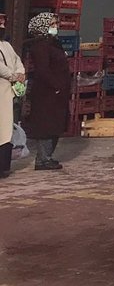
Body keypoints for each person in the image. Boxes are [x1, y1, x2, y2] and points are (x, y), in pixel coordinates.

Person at [23, 13, 70, 170]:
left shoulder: (53, 43)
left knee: (55, 124)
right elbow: (43, 70)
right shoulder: (41, 46)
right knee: (46, 126)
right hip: (47, 93)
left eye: (56, 23)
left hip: (57, 92)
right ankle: (43, 159)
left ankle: (46, 157)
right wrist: (56, 85)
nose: (55, 26)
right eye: (52, 23)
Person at [0, 25, 26, 178]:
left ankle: (4, 166)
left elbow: (18, 61)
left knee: (6, 129)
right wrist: (13, 75)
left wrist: (20, 73)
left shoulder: (7, 45)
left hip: (8, 93)